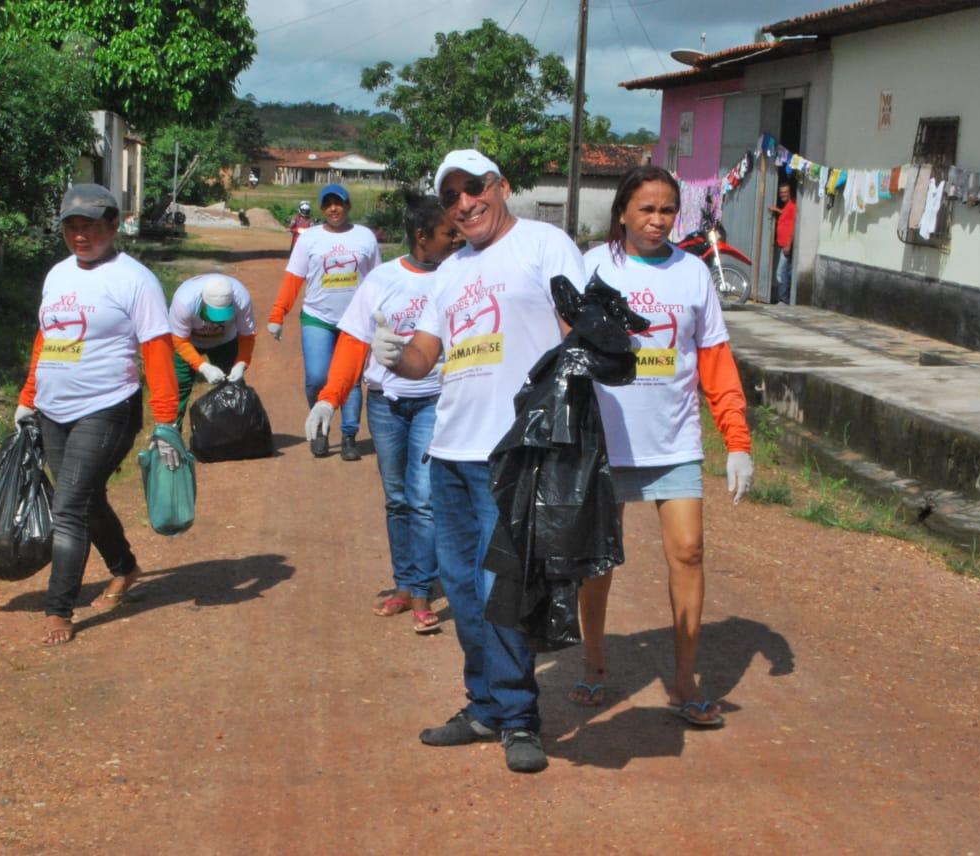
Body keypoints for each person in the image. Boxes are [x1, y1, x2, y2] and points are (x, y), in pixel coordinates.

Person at [371, 150, 591, 774]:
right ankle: (484, 706)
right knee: (463, 587)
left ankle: (519, 717)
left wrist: (558, 429)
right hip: (449, 451)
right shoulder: (449, 271)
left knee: (502, 590)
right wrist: (392, 355)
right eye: (451, 197)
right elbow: (424, 359)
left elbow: (578, 333)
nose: (464, 203)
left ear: (502, 186)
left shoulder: (545, 245)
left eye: (475, 188)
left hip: (513, 451)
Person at [572, 165, 754, 726]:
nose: (657, 220)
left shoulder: (694, 274)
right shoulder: (591, 267)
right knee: (598, 562)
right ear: (623, 211)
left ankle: (684, 682)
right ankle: (594, 665)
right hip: (605, 441)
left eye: (667, 210)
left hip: (673, 441)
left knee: (689, 552)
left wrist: (738, 441)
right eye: (646, 209)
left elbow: (715, 361)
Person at [14, 183, 183, 646]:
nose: (81, 235)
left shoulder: (135, 280)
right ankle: (125, 569)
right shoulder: (57, 276)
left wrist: (166, 420)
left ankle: (58, 609)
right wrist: (28, 397)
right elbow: (45, 339)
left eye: (90, 225)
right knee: (85, 498)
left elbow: (157, 351)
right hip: (53, 408)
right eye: (72, 225)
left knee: (68, 505)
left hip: (108, 407)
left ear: (113, 225)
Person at [304, 193, 461, 634]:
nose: (456, 238)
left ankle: (422, 594)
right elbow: (354, 342)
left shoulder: (459, 277)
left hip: (434, 400)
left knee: (424, 498)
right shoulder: (381, 280)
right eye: (448, 232)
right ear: (421, 236)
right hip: (386, 405)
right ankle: (406, 584)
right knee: (397, 500)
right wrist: (329, 398)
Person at [269, 183, 380, 461]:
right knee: (317, 377)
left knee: (352, 380)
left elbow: (378, 280)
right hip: (317, 317)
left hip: (354, 322)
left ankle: (349, 435)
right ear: (321, 208)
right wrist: (277, 314)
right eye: (328, 204)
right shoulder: (310, 238)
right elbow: (294, 278)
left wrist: (381, 317)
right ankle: (320, 427)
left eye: (338, 203)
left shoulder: (365, 237)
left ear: (348, 205)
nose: (334, 209)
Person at [168, 273, 257, 427]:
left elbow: (247, 335)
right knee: (178, 387)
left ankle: (236, 433)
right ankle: (171, 436)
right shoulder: (184, 302)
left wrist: (241, 362)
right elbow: (179, 340)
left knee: (234, 387)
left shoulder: (241, 298)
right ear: (203, 301)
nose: (219, 320)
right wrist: (203, 367)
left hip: (225, 341)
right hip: (189, 342)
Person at [769, 179, 796, 304]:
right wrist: (778, 211)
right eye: (781, 193)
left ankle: (783, 300)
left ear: (790, 193)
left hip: (786, 246)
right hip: (782, 244)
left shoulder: (793, 206)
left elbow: (794, 226)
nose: (782, 195)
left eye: (785, 192)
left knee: (780, 273)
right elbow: (787, 218)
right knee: (786, 273)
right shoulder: (787, 207)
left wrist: (789, 244)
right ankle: (785, 299)